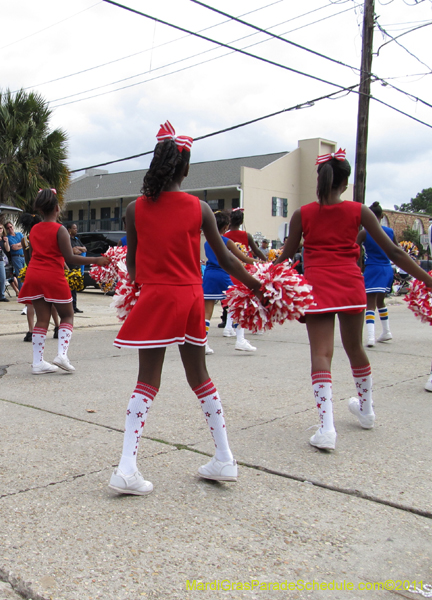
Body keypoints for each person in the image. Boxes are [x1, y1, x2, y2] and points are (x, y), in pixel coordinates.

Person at [108, 121, 264, 495]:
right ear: (186, 168)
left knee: (146, 381)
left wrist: (142, 276)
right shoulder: (201, 209)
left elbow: (132, 265)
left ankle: (127, 467)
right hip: (191, 298)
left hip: (157, 297)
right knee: (201, 377)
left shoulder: (134, 210)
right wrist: (260, 287)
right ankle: (224, 457)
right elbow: (226, 259)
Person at [275, 150, 432, 450]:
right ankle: (367, 411)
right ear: (344, 183)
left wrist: (260, 283)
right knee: (355, 347)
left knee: (321, 353)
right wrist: (428, 280)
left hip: (317, 288)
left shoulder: (302, 214)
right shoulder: (360, 211)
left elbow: (284, 258)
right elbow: (396, 253)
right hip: (351, 286)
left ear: (320, 180)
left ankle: (327, 428)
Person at [19, 190, 109, 374]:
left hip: (34, 275)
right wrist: (96, 260)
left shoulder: (34, 229)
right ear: (57, 208)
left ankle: (38, 362)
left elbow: (38, 253)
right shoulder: (60, 229)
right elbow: (69, 257)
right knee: (67, 315)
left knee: (42, 319)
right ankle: (62, 355)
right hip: (53, 275)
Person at [202, 210, 255, 355]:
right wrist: (262, 262)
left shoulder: (207, 243)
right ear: (225, 227)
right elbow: (244, 259)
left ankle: (204, 343)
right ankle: (240, 340)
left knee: (207, 312)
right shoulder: (226, 241)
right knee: (237, 306)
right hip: (223, 275)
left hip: (209, 275)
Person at [356, 201, 398, 347]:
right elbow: (396, 250)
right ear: (381, 216)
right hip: (387, 269)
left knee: (370, 303)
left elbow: (354, 250)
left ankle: (370, 337)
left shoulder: (364, 233)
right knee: (381, 301)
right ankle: (386, 331)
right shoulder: (390, 232)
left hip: (373, 268)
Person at [68, 223, 87, 313]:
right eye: (74, 228)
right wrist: (75, 250)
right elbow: (71, 251)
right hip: (69, 267)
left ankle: (74, 307)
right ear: (69, 230)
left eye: (76, 228)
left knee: (74, 289)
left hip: (77, 267)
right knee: (69, 289)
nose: (76, 230)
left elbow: (84, 248)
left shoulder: (76, 240)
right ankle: (69, 307)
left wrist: (77, 248)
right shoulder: (67, 240)